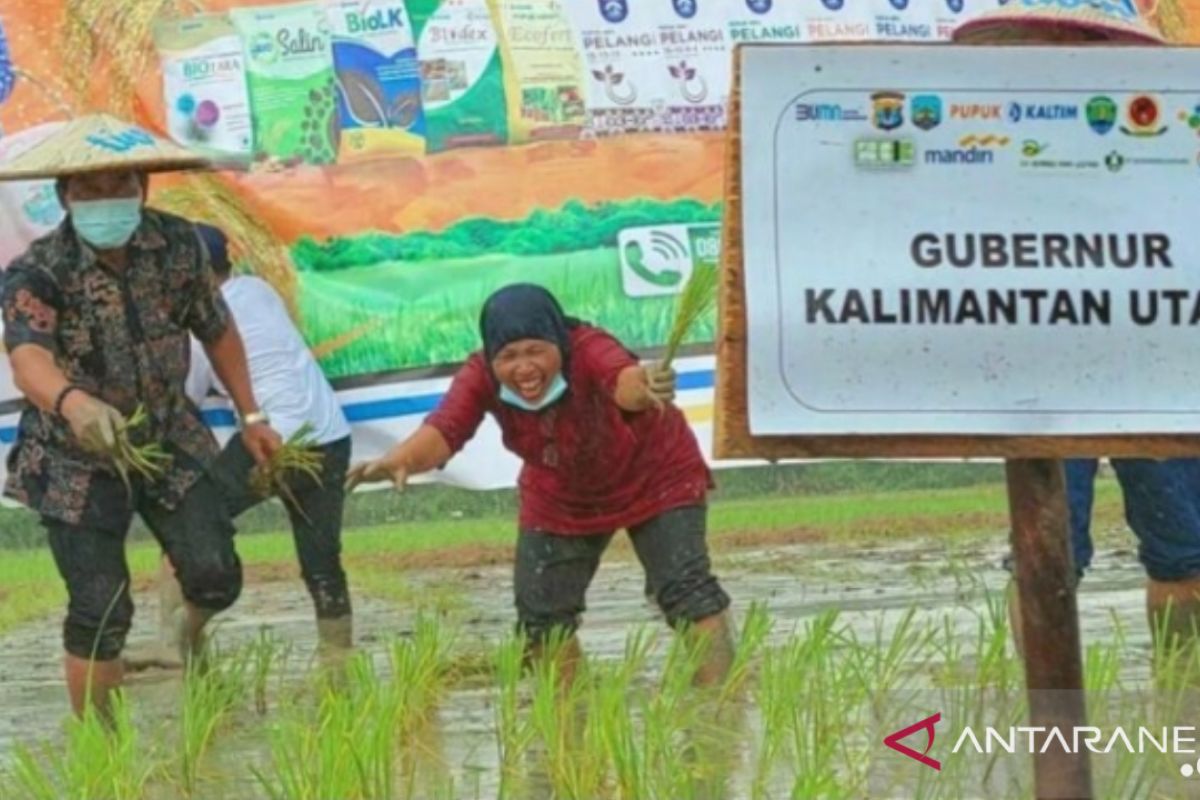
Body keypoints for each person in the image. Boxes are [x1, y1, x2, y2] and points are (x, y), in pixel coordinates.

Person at [0, 115, 281, 718]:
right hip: (73, 454)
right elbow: (27, 359)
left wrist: (252, 414)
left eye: (119, 185)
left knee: (215, 573)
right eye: (90, 190)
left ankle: (185, 636)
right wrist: (75, 403)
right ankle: (103, 753)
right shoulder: (38, 271)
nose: (107, 200)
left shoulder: (178, 247)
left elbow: (218, 330)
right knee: (101, 607)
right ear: (65, 197)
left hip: (165, 437)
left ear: (142, 188)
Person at [954, 1, 1200, 652]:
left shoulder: (1165, 139)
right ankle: (1043, 712)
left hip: (1153, 361)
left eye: (1081, 39)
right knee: (1045, 554)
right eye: (1044, 40)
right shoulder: (981, 150)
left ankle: (1180, 707)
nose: (1061, 51)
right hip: (1043, 370)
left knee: (1186, 550)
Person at [348, 284, 734, 687]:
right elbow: (447, 427)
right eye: (509, 357)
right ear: (492, 357)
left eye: (536, 351)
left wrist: (643, 386)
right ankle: (569, 717)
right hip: (560, 492)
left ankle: (722, 703)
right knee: (542, 618)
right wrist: (401, 459)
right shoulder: (479, 374)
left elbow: (624, 381)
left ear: (559, 343)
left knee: (687, 593)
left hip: (654, 476)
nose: (524, 368)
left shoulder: (589, 349)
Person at [130, 223, 354, 669]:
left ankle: (172, 643)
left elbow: (184, 396)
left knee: (187, 524)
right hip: (329, 436)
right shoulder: (258, 290)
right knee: (322, 560)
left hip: (272, 441)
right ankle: (339, 658)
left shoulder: (198, 327)